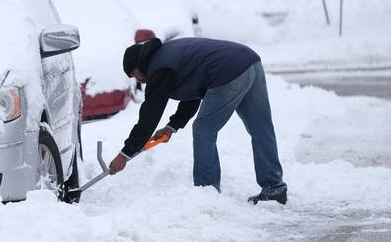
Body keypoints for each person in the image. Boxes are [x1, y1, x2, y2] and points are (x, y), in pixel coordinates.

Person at [107, 37, 287, 204]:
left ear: (139, 64)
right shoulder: (169, 55)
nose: (138, 79)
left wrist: (125, 153)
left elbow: (150, 115)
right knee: (260, 127)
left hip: (228, 71)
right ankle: (274, 186)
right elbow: (193, 92)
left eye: (134, 74)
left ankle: (206, 193)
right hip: (250, 61)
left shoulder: (160, 67)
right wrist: (172, 126)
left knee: (203, 129)